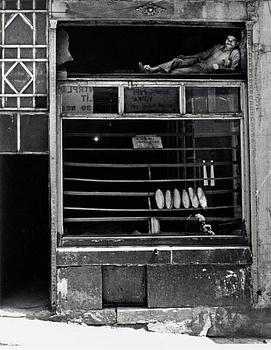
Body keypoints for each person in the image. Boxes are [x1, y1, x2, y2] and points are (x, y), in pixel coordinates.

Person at [139, 34, 240, 74]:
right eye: (228, 39)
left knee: (176, 72)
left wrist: (220, 68)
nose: (229, 42)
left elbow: (233, 70)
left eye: (233, 40)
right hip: (198, 61)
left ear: (237, 43)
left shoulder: (234, 53)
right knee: (176, 61)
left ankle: (154, 74)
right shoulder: (218, 47)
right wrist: (186, 57)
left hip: (203, 70)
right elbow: (202, 55)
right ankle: (152, 69)